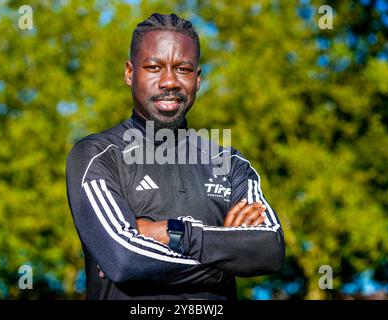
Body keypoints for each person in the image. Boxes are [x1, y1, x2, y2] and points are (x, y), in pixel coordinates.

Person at [66, 13, 285, 300]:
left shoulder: (230, 163)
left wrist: (174, 232)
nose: (169, 81)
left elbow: (269, 248)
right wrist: (226, 259)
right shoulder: (97, 155)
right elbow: (124, 260)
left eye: (182, 69)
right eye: (154, 67)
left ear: (198, 79)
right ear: (130, 73)